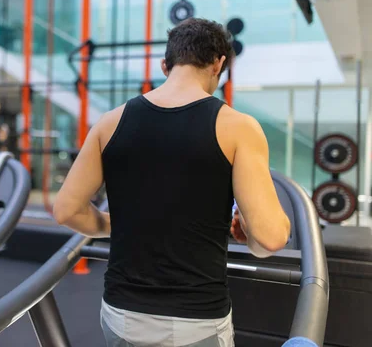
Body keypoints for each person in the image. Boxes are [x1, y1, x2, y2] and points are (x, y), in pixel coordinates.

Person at [53, 18, 291, 347]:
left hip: (121, 313)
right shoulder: (238, 128)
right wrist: (252, 228)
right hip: (196, 320)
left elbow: (66, 211)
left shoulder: (109, 123)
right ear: (219, 63)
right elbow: (273, 236)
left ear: (166, 65)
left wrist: (127, 224)